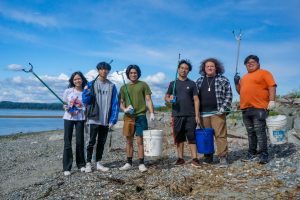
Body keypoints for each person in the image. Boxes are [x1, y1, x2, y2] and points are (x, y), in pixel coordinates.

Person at [234, 55, 277, 164]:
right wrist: (236, 83)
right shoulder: (244, 78)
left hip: (259, 108)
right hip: (245, 109)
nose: (250, 63)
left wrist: (272, 100)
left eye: (253, 62)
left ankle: (264, 155)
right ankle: (252, 153)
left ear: (258, 63)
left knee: (260, 132)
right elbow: (240, 92)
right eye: (247, 63)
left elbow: (272, 86)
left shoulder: (264, 73)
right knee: (250, 133)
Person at [82, 62, 119, 173]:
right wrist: (88, 93)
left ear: (108, 71)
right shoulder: (91, 84)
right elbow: (85, 100)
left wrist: (113, 119)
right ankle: (88, 163)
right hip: (93, 118)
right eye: (102, 69)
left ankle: (98, 163)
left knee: (102, 142)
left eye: (106, 69)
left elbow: (115, 103)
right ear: (98, 71)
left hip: (105, 119)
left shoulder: (112, 86)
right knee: (91, 141)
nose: (104, 71)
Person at [196, 58, 232, 167]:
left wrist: (223, 108)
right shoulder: (199, 81)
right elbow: (194, 98)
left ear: (216, 68)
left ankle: (222, 158)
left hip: (218, 113)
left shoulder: (223, 80)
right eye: (207, 66)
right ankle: (208, 157)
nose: (210, 68)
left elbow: (229, 95)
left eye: (212, 66)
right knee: (206, 136)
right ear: (204, 68)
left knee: (220, 135)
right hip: (203, 114)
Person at [118, 64, 155, 172]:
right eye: (131, 73)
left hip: (141, 116)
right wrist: (124, 109)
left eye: (135, 73)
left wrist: (152, 112)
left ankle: (141, 163)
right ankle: (128, 162)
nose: (133, 74)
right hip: (128, 117)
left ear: (138, 73)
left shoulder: (143, 85)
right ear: (128, 75)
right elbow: (121, 103)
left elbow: (148, 100)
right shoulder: (123, 87)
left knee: (140, 140)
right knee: (129, 140)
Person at [165, 60, 201, 167]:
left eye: (186, 68)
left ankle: (195, 158)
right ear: (178, 69)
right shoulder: (173, 83)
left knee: (192, 136)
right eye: (181, 68)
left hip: (190, 115)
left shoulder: (192, 84)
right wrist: (169, 99)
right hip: (177, 114)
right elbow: (166, 97)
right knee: (179, 138)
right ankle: (180, 158)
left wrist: (197, 115)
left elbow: (196, 100)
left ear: (188, 71)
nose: (183, 70)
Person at [62, 71, 88, 176]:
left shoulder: (85, 92)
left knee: (80, 141)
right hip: (68, 118)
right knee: (67, 142)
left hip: (80, 118)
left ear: (82, 80)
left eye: (79, 79)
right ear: (72, 81)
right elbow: (64, 104)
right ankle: (67, 167)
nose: (77, 81)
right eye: (75, 79)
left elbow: (86, 105)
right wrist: (66, 107)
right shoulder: (68, 91)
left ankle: (81, 164)